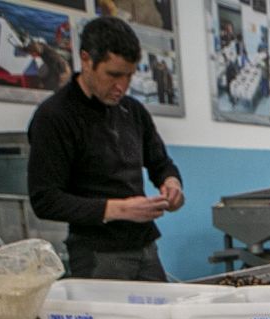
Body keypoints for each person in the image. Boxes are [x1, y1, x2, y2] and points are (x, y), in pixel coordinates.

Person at [28, 16, 184, 281]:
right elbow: (45, 200)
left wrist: (172, 184)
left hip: (145, 248)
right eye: (113, 75)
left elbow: (160, 163)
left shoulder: (132, 110)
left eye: (129, 75)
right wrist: (119, 210)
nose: (121, 86)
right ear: (86, 60)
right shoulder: (54, 116)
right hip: (97, 255)